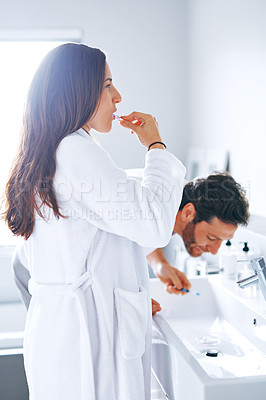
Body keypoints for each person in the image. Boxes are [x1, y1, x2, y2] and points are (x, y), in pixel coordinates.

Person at [1, 43, 186, 400]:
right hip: (85, 341)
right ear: (77, 90)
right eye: (107, 85)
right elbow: (152, 223)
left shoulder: (54, 149)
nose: (118, 96)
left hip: (63, 335)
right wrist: (156, 146)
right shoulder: (76, 151)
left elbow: (107, 236)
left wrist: (131, 289)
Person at [147, 172, 250, 295]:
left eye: (222, 240)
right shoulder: (147, 206)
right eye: (211, 237)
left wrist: (160, 264)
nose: (214, 251)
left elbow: (146, 236)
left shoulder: (180, 202)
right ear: (188, 213)